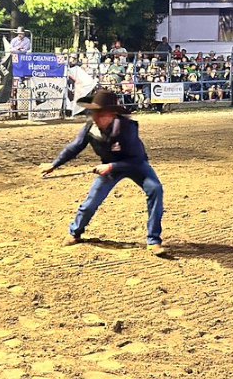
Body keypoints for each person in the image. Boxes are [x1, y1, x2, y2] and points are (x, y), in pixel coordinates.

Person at [39, 89, 165, 255]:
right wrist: (55, 164)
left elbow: (136, 158)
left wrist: (111, 166)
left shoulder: (127, 127)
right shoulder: (91, 127)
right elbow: (75, 146)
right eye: (94, 113)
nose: (96, 117)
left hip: (134, 164)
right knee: (91, 202)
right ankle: (75, 232)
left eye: (100, 113)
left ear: (112, 114)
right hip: (110, 167)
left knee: (155, 189)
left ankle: (153, 240)